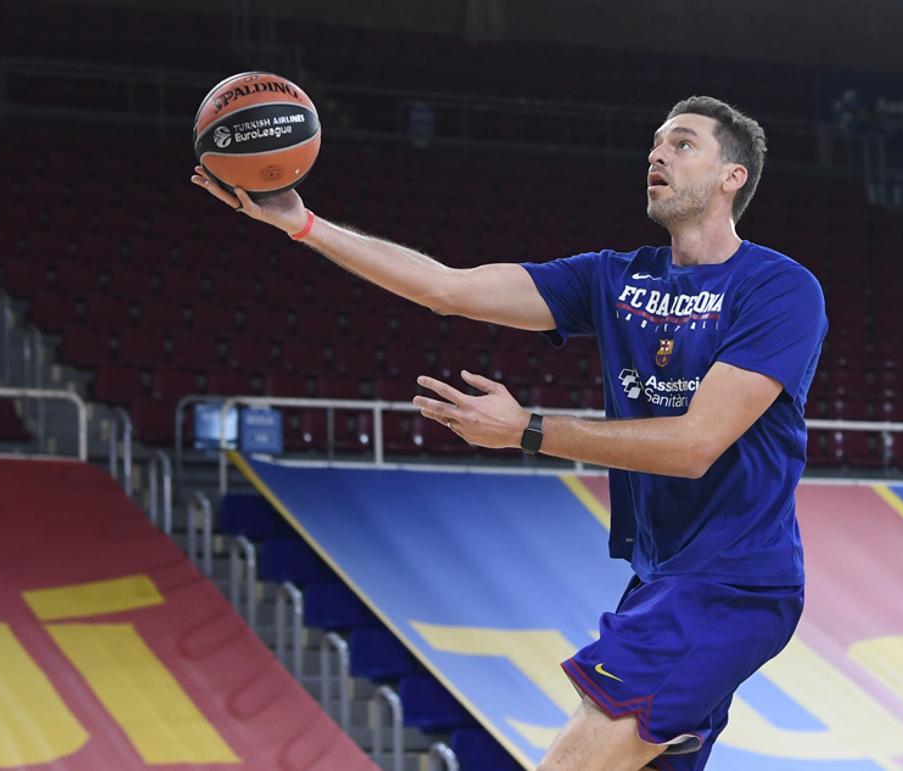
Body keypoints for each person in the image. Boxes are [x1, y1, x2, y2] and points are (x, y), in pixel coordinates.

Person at [192, 94, 827, 771]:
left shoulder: (778, 288)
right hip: (662, 579)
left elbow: (696, 445)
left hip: (730, 583)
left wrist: (527, 429)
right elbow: (447, 289)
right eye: (654, 144)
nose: (656, 155)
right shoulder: (614, 278)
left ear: (733, 176)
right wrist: (305, 224)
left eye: (681, 143)